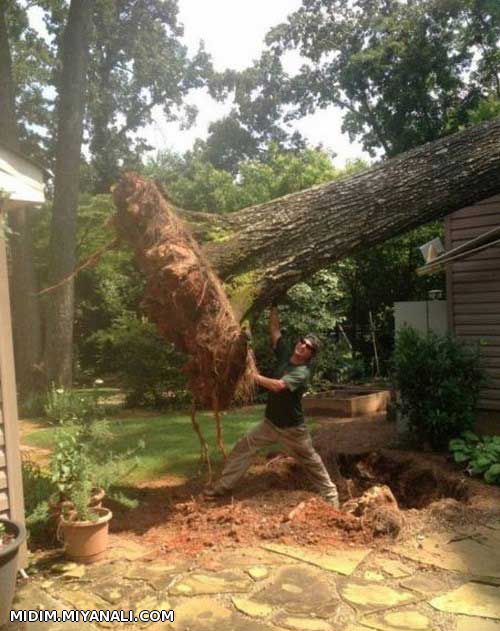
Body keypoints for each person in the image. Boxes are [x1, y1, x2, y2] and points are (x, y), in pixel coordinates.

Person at [204, 305, 340, 508]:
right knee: (244, 446)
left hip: (293, 429)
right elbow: (275, 331)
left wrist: (251, 375)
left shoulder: (302, 372)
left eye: (308, 347)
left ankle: (331, 497)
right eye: (302, 341)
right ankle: (222, 487)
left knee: (311, 462)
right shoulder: (286, 354)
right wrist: (273, 306)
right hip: (270, 423)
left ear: (310, 355)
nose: (302, 346)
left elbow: (278, 386)